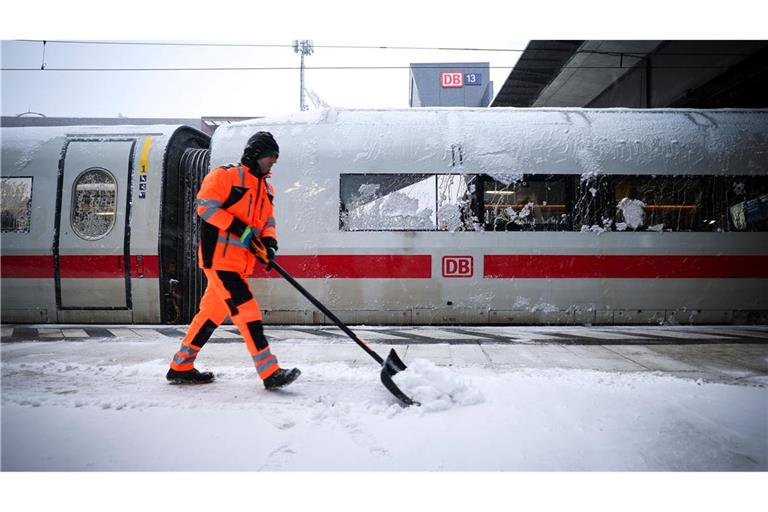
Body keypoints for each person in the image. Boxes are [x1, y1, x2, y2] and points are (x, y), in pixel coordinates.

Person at [166, 131, 301, 390]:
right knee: (247, 310)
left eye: (275, 158)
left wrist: (269, 243)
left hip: (239, 263)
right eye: (269, 157)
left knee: (210, 315)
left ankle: (180, 366)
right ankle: (269, 372)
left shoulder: (266, 188)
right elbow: (205, 207)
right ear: (255, 155)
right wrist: (240, 228)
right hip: (218, 260)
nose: (273, 162)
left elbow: (266, 222)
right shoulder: (226, 176)